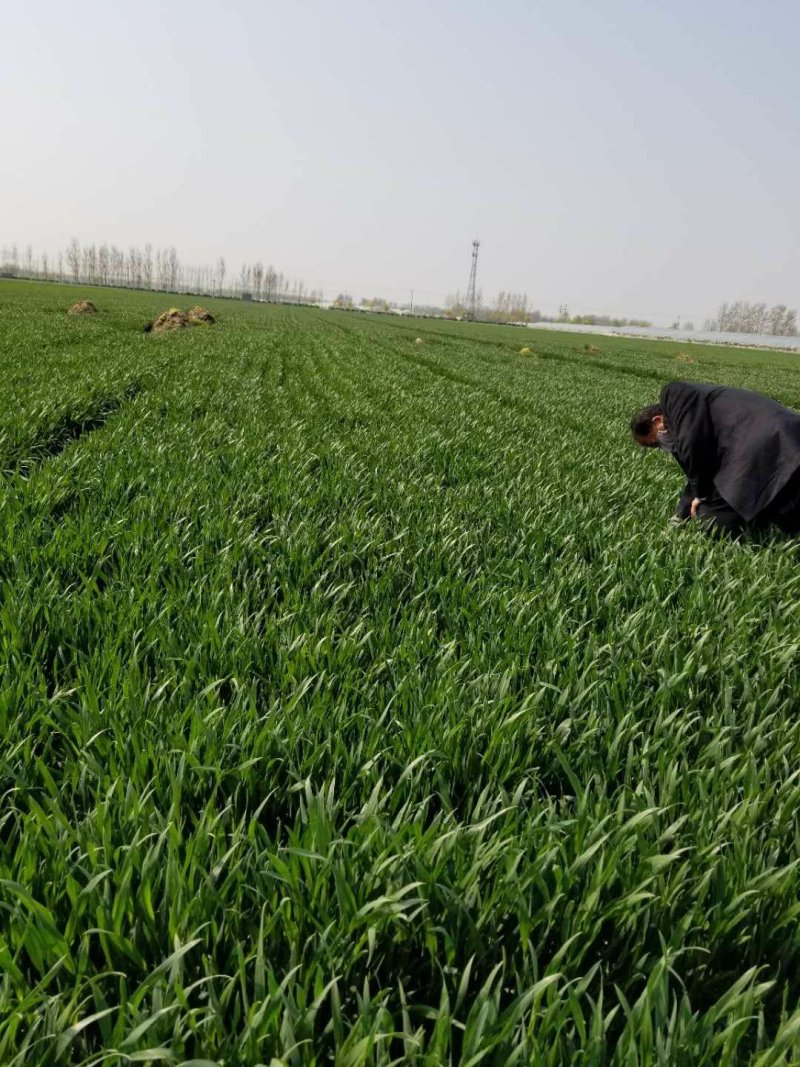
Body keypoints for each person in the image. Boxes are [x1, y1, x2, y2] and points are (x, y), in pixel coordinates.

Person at [631, 381, 800, 537]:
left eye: (654, 443)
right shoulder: (696, 423)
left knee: (711, 520)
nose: (661, 446)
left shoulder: (673, 394)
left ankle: (756, 527)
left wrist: (702, 496)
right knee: (789, 512)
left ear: (658, 420)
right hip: (789, 439)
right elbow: (695, 472)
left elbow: (693, 452)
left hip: (762, 441)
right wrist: (679, 516)